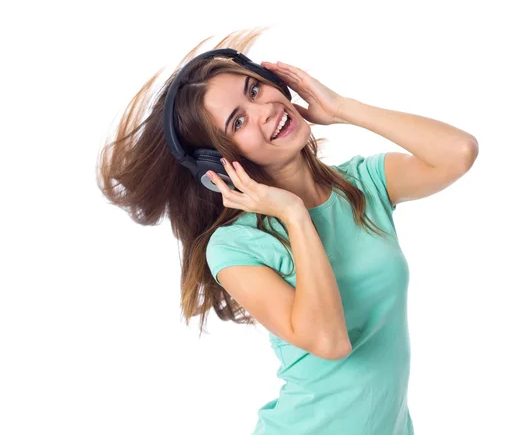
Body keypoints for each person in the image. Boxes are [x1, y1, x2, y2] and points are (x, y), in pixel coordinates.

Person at [96, 26, 479, 434]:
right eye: (238, 120)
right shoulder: (236, 246)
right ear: (219, 162)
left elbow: (458, 153)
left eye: (255, 90)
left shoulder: (363, 185)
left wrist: (342, 107)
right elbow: (330, 342)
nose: (264, 110)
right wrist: (294, 215)